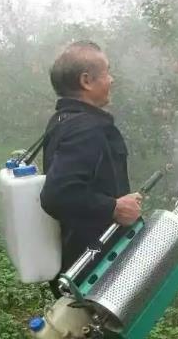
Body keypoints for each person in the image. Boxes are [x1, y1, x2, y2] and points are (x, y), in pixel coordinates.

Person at [40, 40, 142, 298]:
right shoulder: (86, 129)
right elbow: (57, 194)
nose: (112, 79)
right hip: (92, 267)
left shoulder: (62, 121)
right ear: (86, 80)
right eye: (107, 72)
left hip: (75, 262)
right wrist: (114, 207)